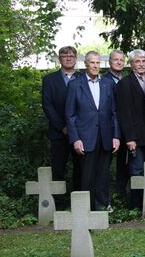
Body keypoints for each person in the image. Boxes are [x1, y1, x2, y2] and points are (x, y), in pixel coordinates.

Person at [65, 51, 120, 210]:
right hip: (85, 138)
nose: (95, 66)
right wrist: (75, 139)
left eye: (97, 63)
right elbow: (70, 114)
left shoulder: (108, 84)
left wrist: (116, 136)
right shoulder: (75, 85)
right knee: (86, 176)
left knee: (103, 176)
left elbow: (114, 112)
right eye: (92, 63)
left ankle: (103, 207)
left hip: (105, 137)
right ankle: (86, 210)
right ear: (85, 64)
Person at [115, 49, 145, 209]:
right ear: (131, 64)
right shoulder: (124, 83)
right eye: (137, 61)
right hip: (136, 137)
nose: (141, 64)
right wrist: (129, 138)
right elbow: (124, 113)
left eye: (143, 61)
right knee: (137, 171)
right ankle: (136, 206)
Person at [42, 46, 82, 202]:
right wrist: (62, 127)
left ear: (75, 58)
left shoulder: (82, 78)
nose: (68, 58)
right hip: (59, 133)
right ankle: (58, 203)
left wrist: (75, 128)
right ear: (59, 58)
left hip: (80, 133)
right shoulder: (49, 80)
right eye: (65, 55)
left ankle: (79, 201)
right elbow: (47, 106)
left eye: (71, 55)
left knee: (80, 168)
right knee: (58, 168)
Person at [104, 49, 127, 202]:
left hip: (126, 128)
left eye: (121, 60)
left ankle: (121, 194)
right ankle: (105, 198)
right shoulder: (103, 81)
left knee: (124, 165)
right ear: (109, 62)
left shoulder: (127, 80)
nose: (119, 62)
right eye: (115, 60)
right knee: (105, 165)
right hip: (109, 130)